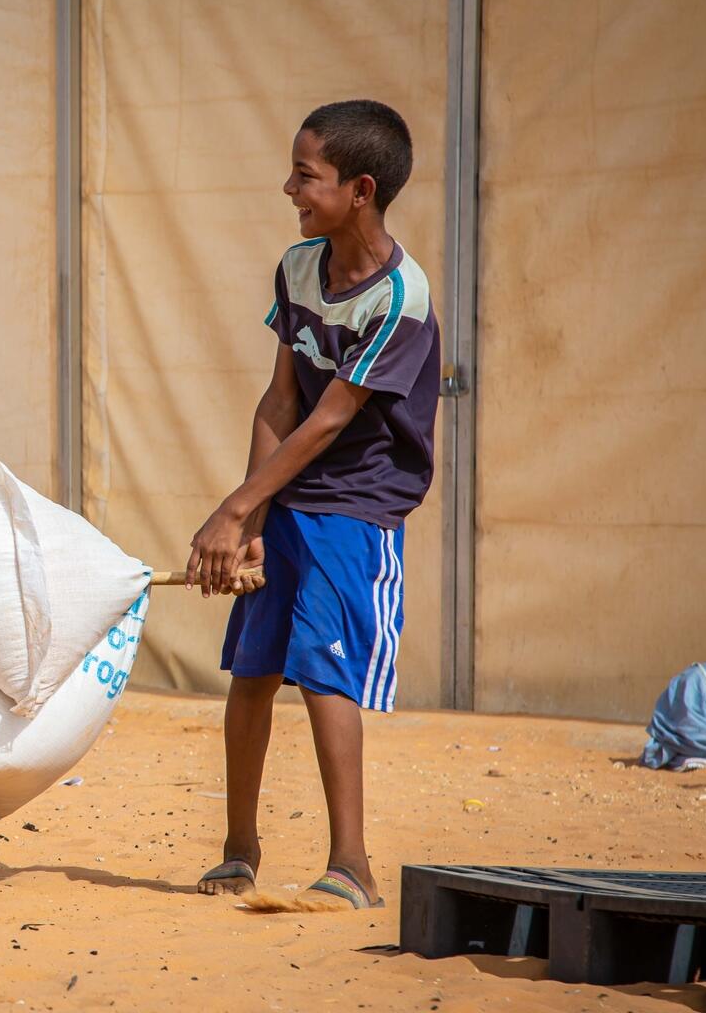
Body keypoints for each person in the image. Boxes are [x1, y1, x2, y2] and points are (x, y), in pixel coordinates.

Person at [184, 100, 440, 910]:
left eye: (305, 174)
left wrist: (233, 509)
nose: (288, 187)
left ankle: (353, 863)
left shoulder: (401, 298)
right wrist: (251, 520)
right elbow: (280, 400)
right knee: (253, 670)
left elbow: (334, 417)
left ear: (360, 189)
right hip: (287, 492)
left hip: (356, 505)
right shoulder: (299, 268)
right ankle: (238, 849)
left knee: (325, 672)